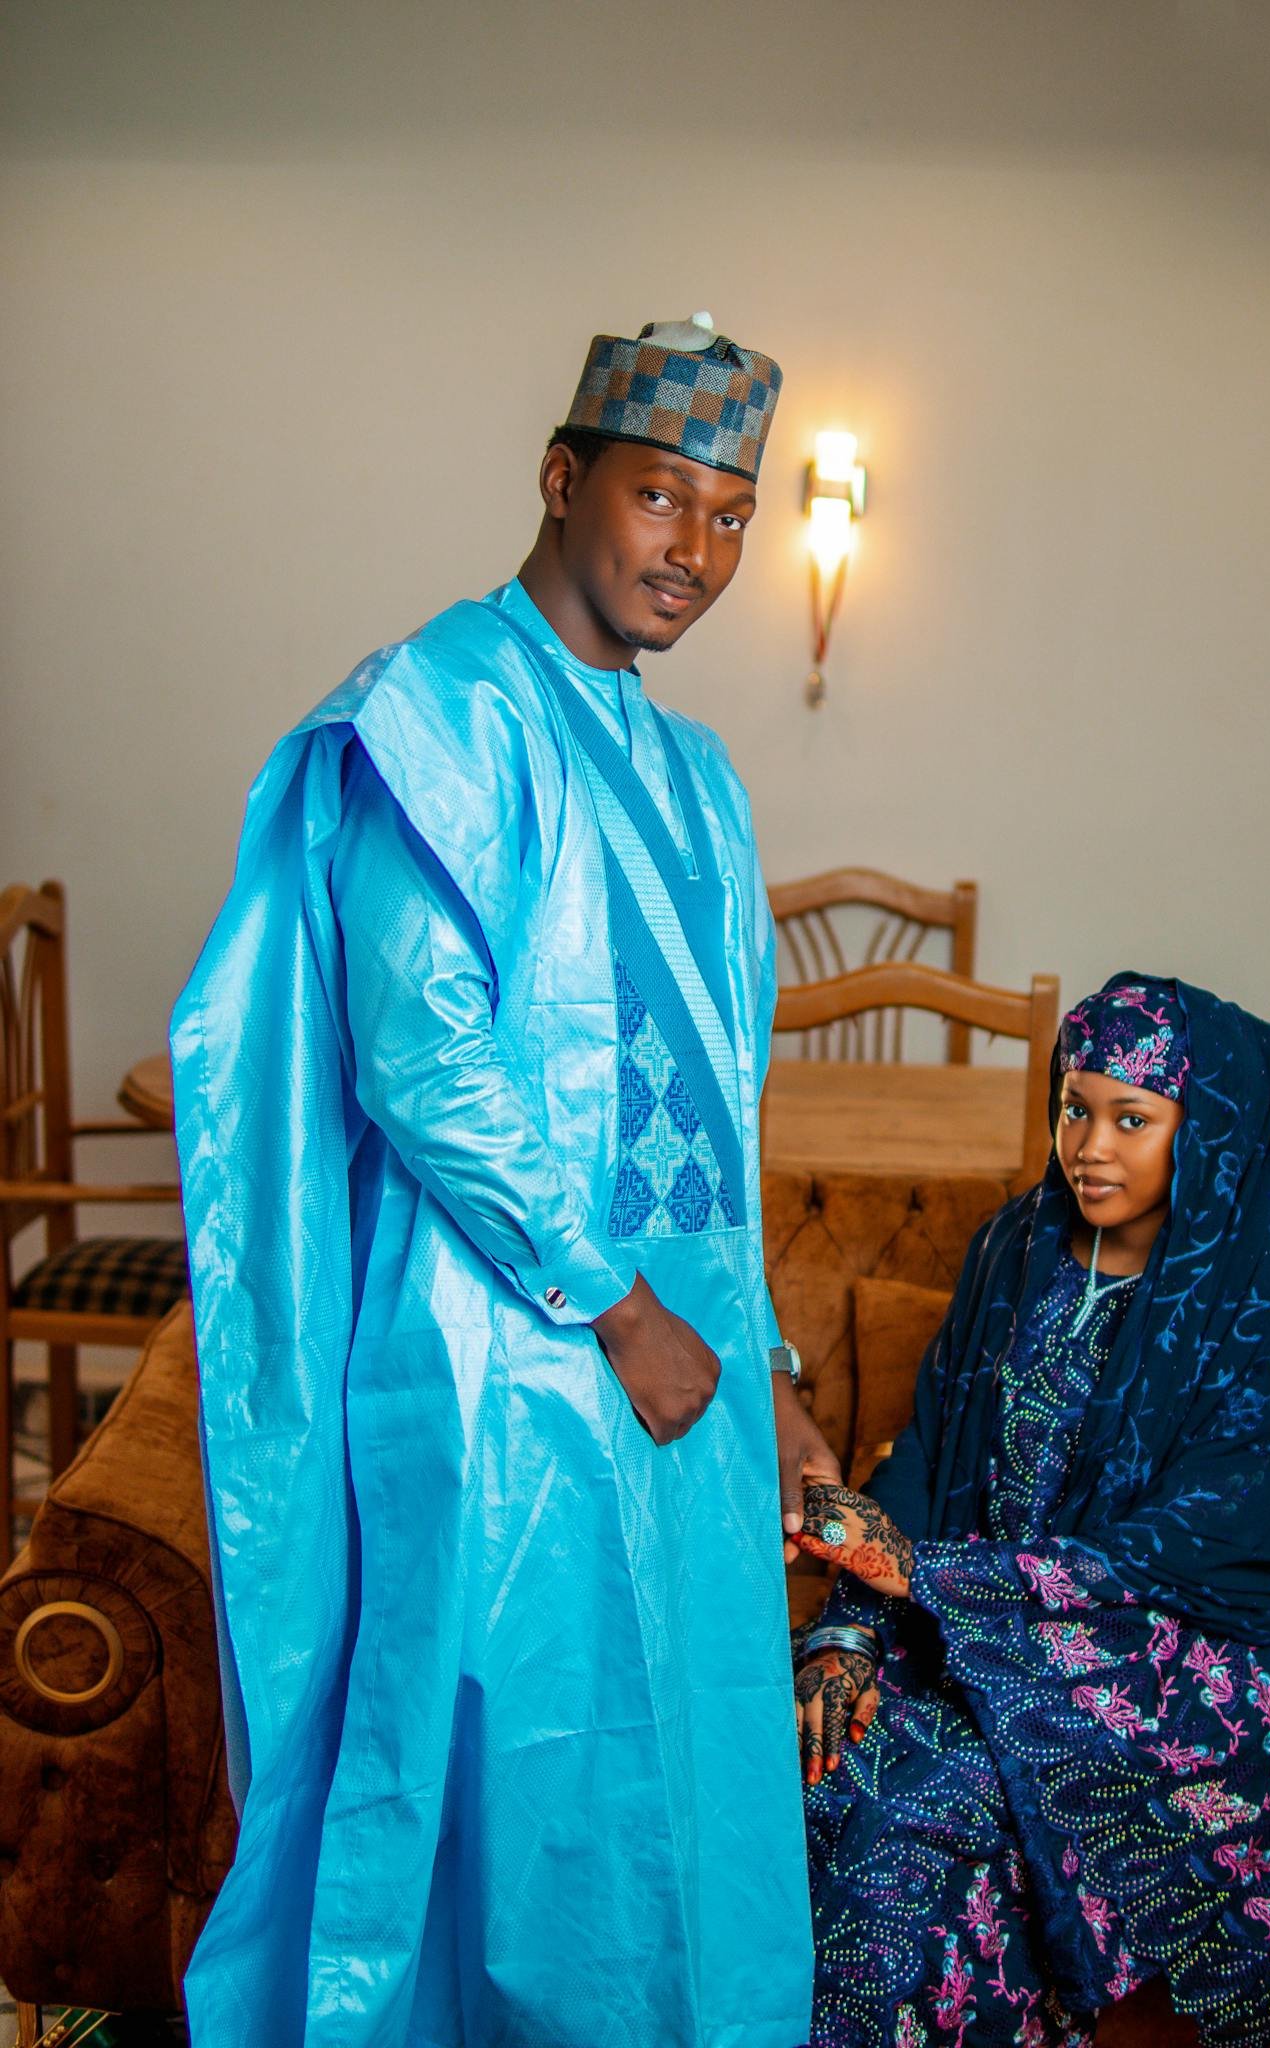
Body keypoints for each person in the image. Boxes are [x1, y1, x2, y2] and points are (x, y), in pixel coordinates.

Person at [171, 312, 835, 2046]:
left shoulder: (697, 775)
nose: (694, 550)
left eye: (728, 515)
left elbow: (719, 1109)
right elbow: (422, 1054)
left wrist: (764, 1362)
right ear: (561, 477)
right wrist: (615, 1306)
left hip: (681, 1355)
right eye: (657, 497)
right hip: (506, 1356)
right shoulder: (438, 709)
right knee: (519, 1790)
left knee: (682, 1770)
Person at [791, 976, 1270, 2048]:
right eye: (1074, 1107)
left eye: (1132, 1119)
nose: (1088, 1146)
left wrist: (929, 1575)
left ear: (1203, 1134)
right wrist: (848, 1626)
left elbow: (1199, 1541)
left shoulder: (1253, 1306)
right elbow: (927, 1448)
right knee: (788, 1761)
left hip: (1158, 1667)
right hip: (965, 1623)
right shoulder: (1015, 1246)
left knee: (914, 1814)